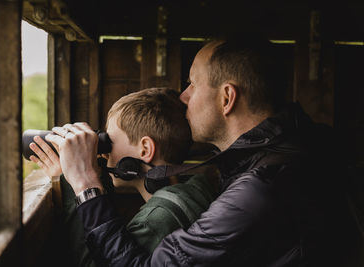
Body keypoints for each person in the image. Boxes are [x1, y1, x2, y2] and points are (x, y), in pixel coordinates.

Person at [47, 35, 362, 266]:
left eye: (193, 84)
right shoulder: (300, 146)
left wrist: (86, 183)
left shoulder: (261, 189)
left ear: (227, 98)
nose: (183, 97)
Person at [29, 88, 218, 266]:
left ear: (145, 149)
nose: (104, 154)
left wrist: (75, 182)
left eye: (108, 142)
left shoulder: (158, 220)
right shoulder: (194, 191)